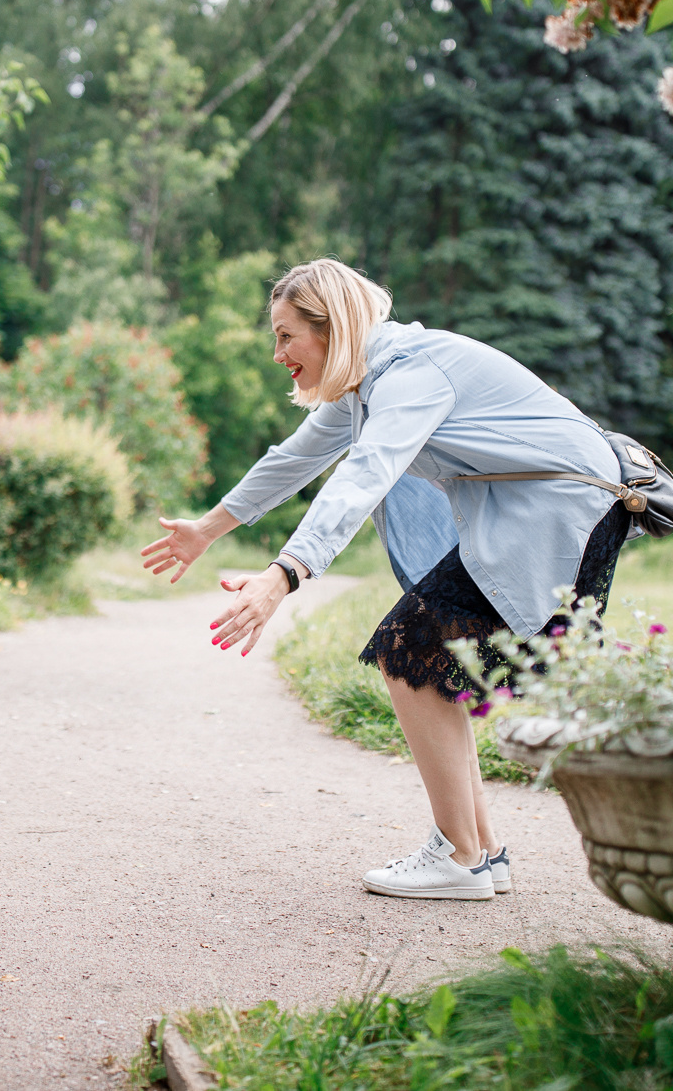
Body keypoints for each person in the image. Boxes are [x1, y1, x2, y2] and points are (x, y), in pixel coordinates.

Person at [141, 258, 630, 902]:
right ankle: (480, 853)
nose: (279, 352)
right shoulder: (367, 384)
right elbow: (292, 460)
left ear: (330, 327)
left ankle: (458, 857)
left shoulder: (411, 374)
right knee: (427, 658)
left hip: (561, 517)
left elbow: (364, 477)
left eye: (288, 335)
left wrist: (282, 576)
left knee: (410, 650)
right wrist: (207, 529)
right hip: (541, 515)